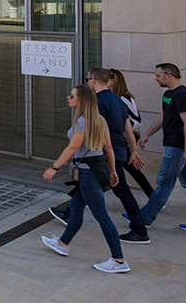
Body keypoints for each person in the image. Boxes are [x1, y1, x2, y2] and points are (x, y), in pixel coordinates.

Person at [50, 69, 150, 245]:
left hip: (105, 154)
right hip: (118, 149)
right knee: (86, 188)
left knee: (121, 191)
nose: (87, 82)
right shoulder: (118, 100)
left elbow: (94, 130)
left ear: (94, 81)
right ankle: (68, 218)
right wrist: (133, 151)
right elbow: (128, 129)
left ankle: (139, 230)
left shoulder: (99, 102)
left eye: (88, 79)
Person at [40, 85, 130, 273]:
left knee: (102, 217)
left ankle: (119, 260)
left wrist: (54, 167)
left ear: (81, 101)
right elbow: (109, 149)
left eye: (71, 95)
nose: (68, 97)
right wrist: (112, 171)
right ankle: (63, 243)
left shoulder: (82, 122)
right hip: (96, 172)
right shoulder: (100, 120)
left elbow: (72, 148)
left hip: (88, 175)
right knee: (76, 208)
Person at [132, 64, 186, 235]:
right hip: (174, 145)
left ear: (169, 76)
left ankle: (144, 218)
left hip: (178, 147)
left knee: (164, 183)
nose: (156, 78)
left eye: (158, 76)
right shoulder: (169, 95)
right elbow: (163, 116)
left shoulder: (183, 95)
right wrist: (147, 135)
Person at [109, 69, 155, 198]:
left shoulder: (124, 97)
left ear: (114, 81)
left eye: (108, 79)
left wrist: (121, 126)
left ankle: (153, 197)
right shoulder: (112, 97)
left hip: (123, 139)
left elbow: (136, 120)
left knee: (132, 170)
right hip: (118, 138)